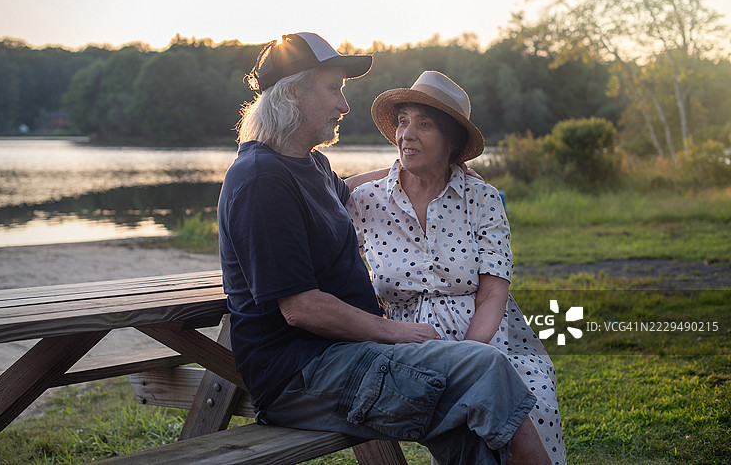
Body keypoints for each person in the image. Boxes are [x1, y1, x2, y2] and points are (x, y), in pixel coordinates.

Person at [218, 32, 550, 465]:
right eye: (334, 89)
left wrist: (429, 168)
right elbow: (301, 308)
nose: (344, 105)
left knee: (471, 427)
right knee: (483, 370)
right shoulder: (260, 180)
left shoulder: (310, 166)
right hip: (302, 375)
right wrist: (395, 331)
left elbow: (346, 190)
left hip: (346, 355)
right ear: (294, 94)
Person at [345, 71, 565, 465]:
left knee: (531, 409)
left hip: (489, 339)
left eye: (424, 124)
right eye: (403, 121)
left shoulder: (482, 198)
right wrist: (389, 171)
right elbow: (318, 193)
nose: (407, 134)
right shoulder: (368, 200)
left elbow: (494, 292)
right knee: (475, 425)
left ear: (452, 142)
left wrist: (469, 355)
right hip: (407, 344)